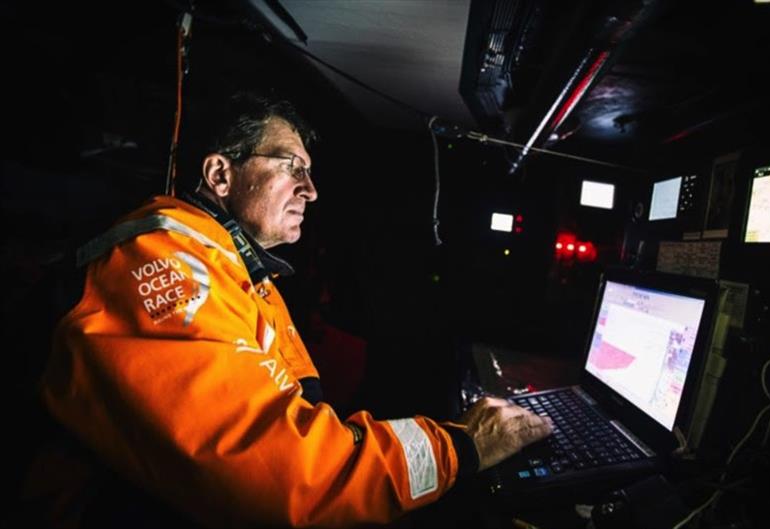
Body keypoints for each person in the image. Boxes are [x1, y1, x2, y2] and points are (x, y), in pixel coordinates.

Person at [39, 92, 553, 527]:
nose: (310, 190)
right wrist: (460, 448)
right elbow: (284, 477)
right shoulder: (162, 264)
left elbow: (301, 416)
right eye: (292, 168)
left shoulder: (238, 270)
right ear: (220, 174)